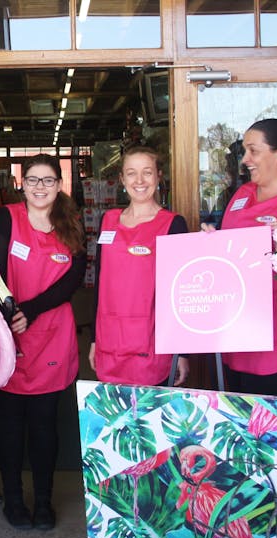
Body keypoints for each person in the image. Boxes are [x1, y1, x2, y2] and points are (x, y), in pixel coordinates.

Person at [0, 153, 85, 531]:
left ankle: (42, 501)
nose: (40, 187)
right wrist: (9, 311)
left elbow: (74, 276)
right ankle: (13, 499)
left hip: (52, 336)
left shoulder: (70, 223)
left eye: (48, 180)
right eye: (33, 180)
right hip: (9, 336)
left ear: (59, 185)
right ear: (21, 184)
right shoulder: (5, 218)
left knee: (44, 425)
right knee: (9, 423)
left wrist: (34, 309)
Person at [201, 119, 277, 397]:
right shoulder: (241, 195)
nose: (245, 159)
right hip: (234, 332)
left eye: (253, 151)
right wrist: (213, 240)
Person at [88, 146, 190, 387]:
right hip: (110, 340)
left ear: (158, 176)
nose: (140, 180)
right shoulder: (108, 221)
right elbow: (99, 282)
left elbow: (181, 294)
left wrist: (183, 352)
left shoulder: (173, 224)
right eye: (132, 173)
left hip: (152, 343)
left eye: (147, 172)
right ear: (122, 179)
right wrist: (94, 339)